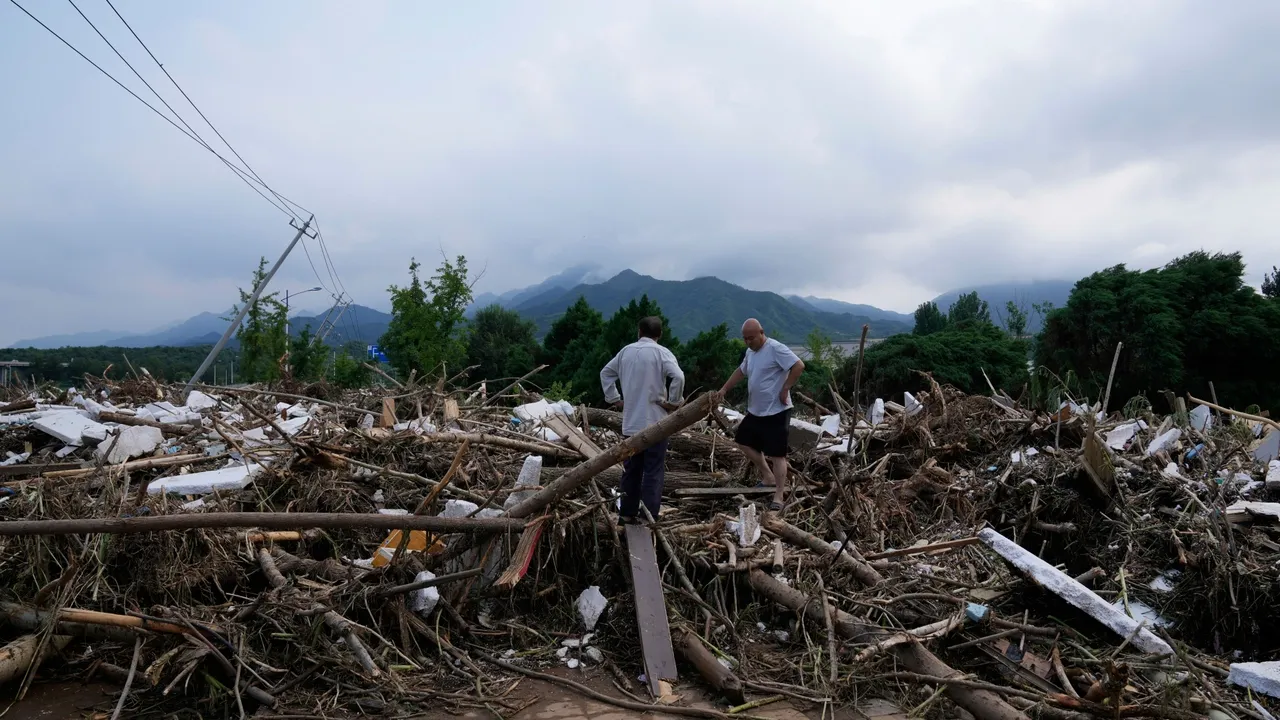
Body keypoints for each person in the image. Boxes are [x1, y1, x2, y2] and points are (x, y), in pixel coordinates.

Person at [600, 316, 685, 524]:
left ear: (639, 331)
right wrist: (673, 402)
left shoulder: (625, 352)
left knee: (632, 470)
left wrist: (615, 399)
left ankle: (626, 514)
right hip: (656, 422)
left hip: (631, 423)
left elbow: (606, 373)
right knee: (653, 471)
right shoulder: (662, 353)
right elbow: (679, 377)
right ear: (660, 334)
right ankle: (648, 516)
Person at [716, 318, 804, 512]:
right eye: (745, 339)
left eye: (751, 338)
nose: (748, 342)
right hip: (756, 410)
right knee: (742, 440)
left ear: (761, 333)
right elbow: (740, 371)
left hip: (776, 410)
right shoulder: (750, 352)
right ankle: (767, 476)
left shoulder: (775, 348)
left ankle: (779, 495)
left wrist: (785, 388)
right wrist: (724, 389)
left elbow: (798, 365)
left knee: (778, 454)